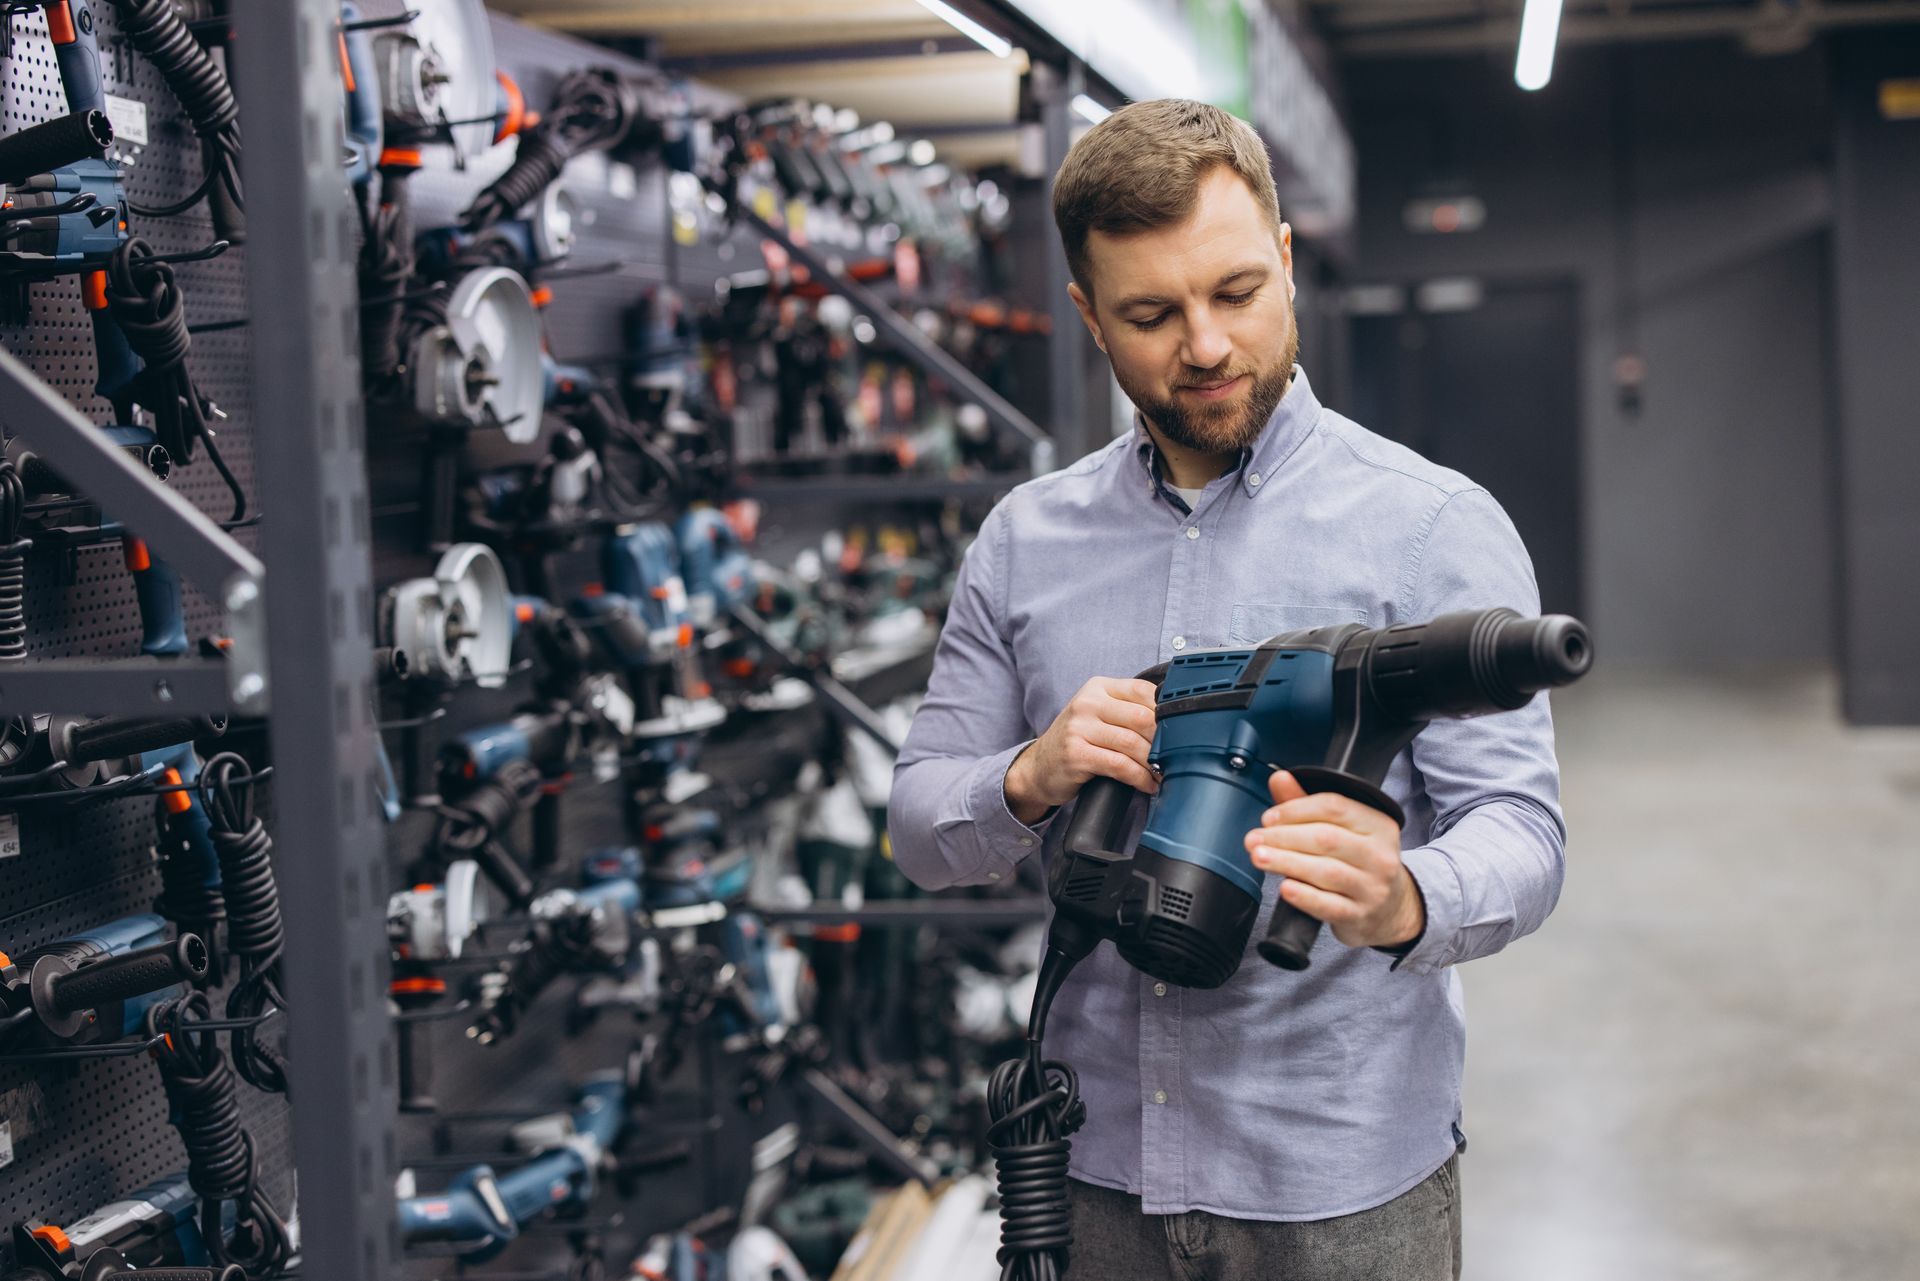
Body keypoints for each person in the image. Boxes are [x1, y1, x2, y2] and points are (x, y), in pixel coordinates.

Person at [887, 99, 1566, 1280]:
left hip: (1341, 1185)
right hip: (1094, 1172)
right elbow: (917, 828)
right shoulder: (1024, 542)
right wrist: (1029, 775)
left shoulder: (1430, 527)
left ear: (1288, 261)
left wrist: (1405, 894)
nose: (1204, 345)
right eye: (1152, 314)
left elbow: (1526, 834)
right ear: (1091, 318)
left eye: (1237, 293)